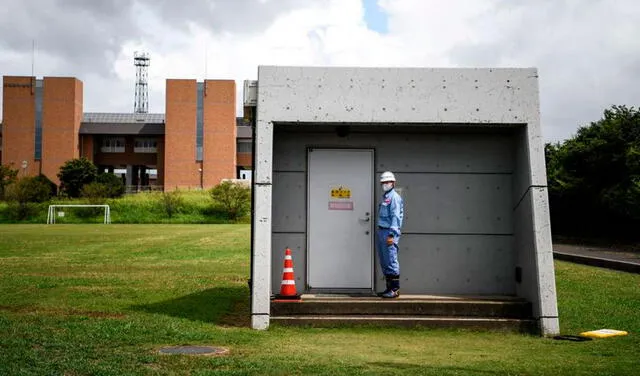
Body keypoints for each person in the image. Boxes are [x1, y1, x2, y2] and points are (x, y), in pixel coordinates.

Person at [376, 171, 404, 298]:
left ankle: (395, 289)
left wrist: (392, 235)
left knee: (391, 260)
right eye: (383, 182)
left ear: (393, 183)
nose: (385, 184)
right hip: (382, 231)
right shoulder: (386, 197)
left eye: (387, 182)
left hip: (389, 232)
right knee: (384, 260)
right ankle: (388, 288)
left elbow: (395, 217)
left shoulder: (394, 198)